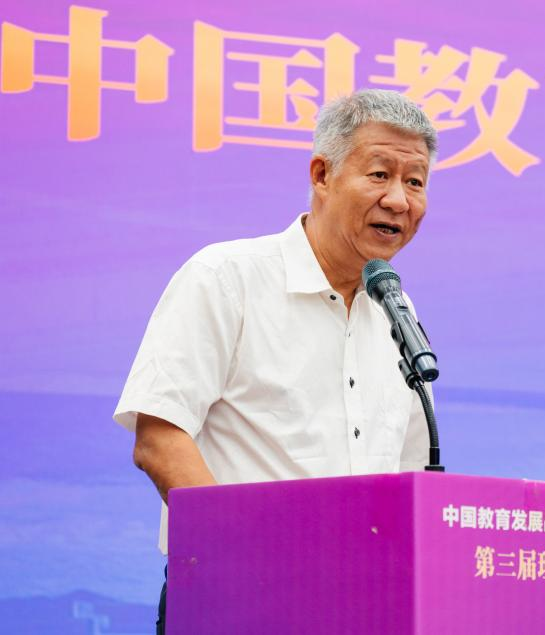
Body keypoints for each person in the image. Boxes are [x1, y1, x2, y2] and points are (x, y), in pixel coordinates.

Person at [113, 89, 438, 634]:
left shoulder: (397, 314)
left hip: (360, 605)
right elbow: (160, 438)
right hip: (235, 594)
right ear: (322, 175)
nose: (399, 201)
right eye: (380, 174)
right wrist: (247, 559)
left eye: (415, 182)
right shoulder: (227, 278)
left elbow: (406, 478)